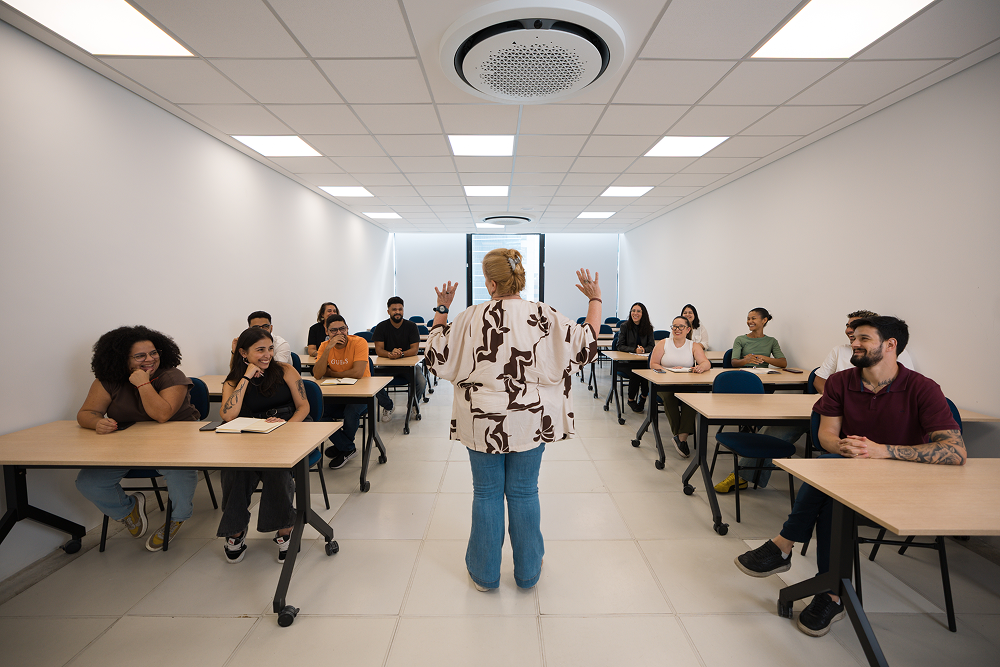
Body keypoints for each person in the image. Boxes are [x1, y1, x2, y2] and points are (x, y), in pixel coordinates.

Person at [734, 316, 964, 638]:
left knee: (830, 487)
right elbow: (826, 435)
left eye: (863, 339)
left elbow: (955, 451)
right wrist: (845, 447)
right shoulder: (841, 382)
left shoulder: (922, 388)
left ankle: (784, 545)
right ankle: (830, 596)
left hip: (904, 487)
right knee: (831, 487)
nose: (853, 343)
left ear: (890, 345)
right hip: (851, 478)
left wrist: (883, 451)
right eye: (853, 338)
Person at [424, 249, 599, 591]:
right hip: (530, 419)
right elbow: (587, 346)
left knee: (486, 493)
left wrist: (442, 310)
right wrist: (595, 299)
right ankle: (528, 572)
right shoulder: (544, 314)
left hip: (482, 421)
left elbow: (435, 355)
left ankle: (485, 575)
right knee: (523, 492)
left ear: (489, 283)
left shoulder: (470, 316)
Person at [75, 325, 200, 552]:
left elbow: (162, 415)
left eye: (153, 353)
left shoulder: (172, 376)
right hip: (128, 446)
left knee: (180, 475)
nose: (150, 359)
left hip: (176, 445)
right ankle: (128, 509)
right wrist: (96, 422)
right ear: (122, 358)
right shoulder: (108, 381)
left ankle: (177, 517)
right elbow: (85, 414)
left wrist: (142, 382)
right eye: (140, 356)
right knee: (88, 482)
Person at [217, 328, 309, 563]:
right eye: (260, 350)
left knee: (276, 470)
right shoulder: (234, 379)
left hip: (287, 428)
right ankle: (235, 531)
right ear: (243, 353)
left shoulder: (286, 370)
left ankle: (284, 531)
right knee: (234, 471)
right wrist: (246, 377)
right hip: (250, 435)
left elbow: (304, 407)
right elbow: (228, 415)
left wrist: (285, 427)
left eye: (270, 349)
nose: (267, 355)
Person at [715, 307, 788, 493]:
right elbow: (733, 362)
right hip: (743, 379)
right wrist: (745, 359)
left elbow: (782, 362)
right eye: (748, 318)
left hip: (764, 380)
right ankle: (751, 434)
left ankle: (753, 437)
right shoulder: (741, 339)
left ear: (764, 321)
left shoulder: (771, 341)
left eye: (754, 318)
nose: (750, 321)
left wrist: (765, 358)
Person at [313, 313, 371, 469]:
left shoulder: (359, 342)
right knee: (318, 413)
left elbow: (358, 373)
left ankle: (343, 446)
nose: (339, 333)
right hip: (336, 393)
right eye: (334, 330)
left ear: (347, 329)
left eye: (342, 329)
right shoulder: (324, 346)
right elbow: (318, 374)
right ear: (327, 332)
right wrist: (328, 349)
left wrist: (331, 373)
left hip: (362, 393)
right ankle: (347, 447)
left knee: (351, 411)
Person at [649, 316, 711, 458]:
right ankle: (680, 436)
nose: (677, 330)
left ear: (688, 329)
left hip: (685, 383)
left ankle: (681, 437)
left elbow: (706, 363)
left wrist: (701, 367)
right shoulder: (663, 343)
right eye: (674, 327)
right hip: (664, 383)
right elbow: (653, 364)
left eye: (681, 327)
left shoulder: (693, 345)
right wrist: (667, 370)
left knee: (691, 399)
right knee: (670, 397)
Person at [372, 296, 426, 421]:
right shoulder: (381, 327)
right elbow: (379, 350)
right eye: (394, 309)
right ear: (388, 311)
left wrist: (401, 355)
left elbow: (415, 349)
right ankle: (388, 406)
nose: (397, 312)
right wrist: (390, 354)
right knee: (371, 382)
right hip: (386, 365)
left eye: (400, 309)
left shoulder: (411, 326)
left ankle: (413, 404)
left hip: (408, 365)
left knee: (421, 382)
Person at [617, 302, 654, 413]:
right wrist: (634, 350)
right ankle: (631, 399)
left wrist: (643, 350)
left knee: (647, 373)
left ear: (643, 313)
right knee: (636, 373)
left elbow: (652, 346)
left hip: (643, 361)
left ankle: (643, 397)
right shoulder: (625, 326)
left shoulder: (648, 328)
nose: (635, 313)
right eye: (633, 310)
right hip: (627, 362)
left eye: (638, 311)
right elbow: (619, 345)